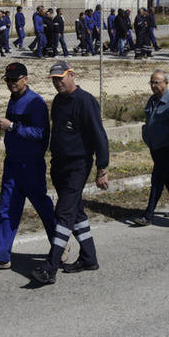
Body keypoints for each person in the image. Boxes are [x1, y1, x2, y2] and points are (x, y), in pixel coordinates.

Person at [31, 62, 109, 285]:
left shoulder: (85, 101)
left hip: (78, 166)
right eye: (54, 79)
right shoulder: (58, 101)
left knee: (63, 214)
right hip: (60, 166)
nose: (58, 82)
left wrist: (102, 168)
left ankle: (50, 267)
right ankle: (89, 257)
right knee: (76, 213)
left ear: (72, 75)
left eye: (61, 77)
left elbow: (99, 136)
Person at [0, 63, 59, 271]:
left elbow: (41, 134)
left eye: (15, 79)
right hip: (12, 163)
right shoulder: (14, 100)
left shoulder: (35, 103)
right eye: (8, 80)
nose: (11, 83)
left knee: (42, 206)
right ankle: (1, 256)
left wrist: (12, 126)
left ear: (25, 79)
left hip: (30, 165)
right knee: (7, 210)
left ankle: (59, 244)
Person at [133, 70, 169, 226]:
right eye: (151, 82)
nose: (153, 85)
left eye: (157, 82)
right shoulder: (152, 99)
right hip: (154, 144)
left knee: (157, 177)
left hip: (167, 145)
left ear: (166, 83)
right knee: (166, 175)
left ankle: (148, 215)